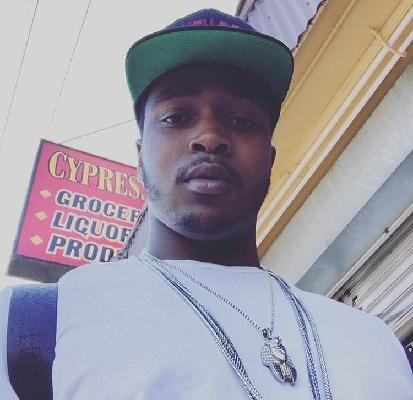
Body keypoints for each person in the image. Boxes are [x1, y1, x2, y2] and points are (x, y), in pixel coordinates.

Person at [1, 8, 412, 400]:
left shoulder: (377, 346)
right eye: (176, 117)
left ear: (270, 158)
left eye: (242, 121)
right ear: (140, 156)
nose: (209, 137)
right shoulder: (35, 326)